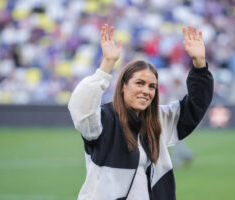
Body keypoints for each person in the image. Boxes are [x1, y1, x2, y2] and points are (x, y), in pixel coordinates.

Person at [68, 24, 213, 200]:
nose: (146, 90)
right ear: (123, 87)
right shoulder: (105, 119)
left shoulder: (158, 119)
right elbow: (81, 108)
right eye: (139, 83)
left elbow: (195, 106)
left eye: (152, 86)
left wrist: (199, 64)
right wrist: (106, 66)